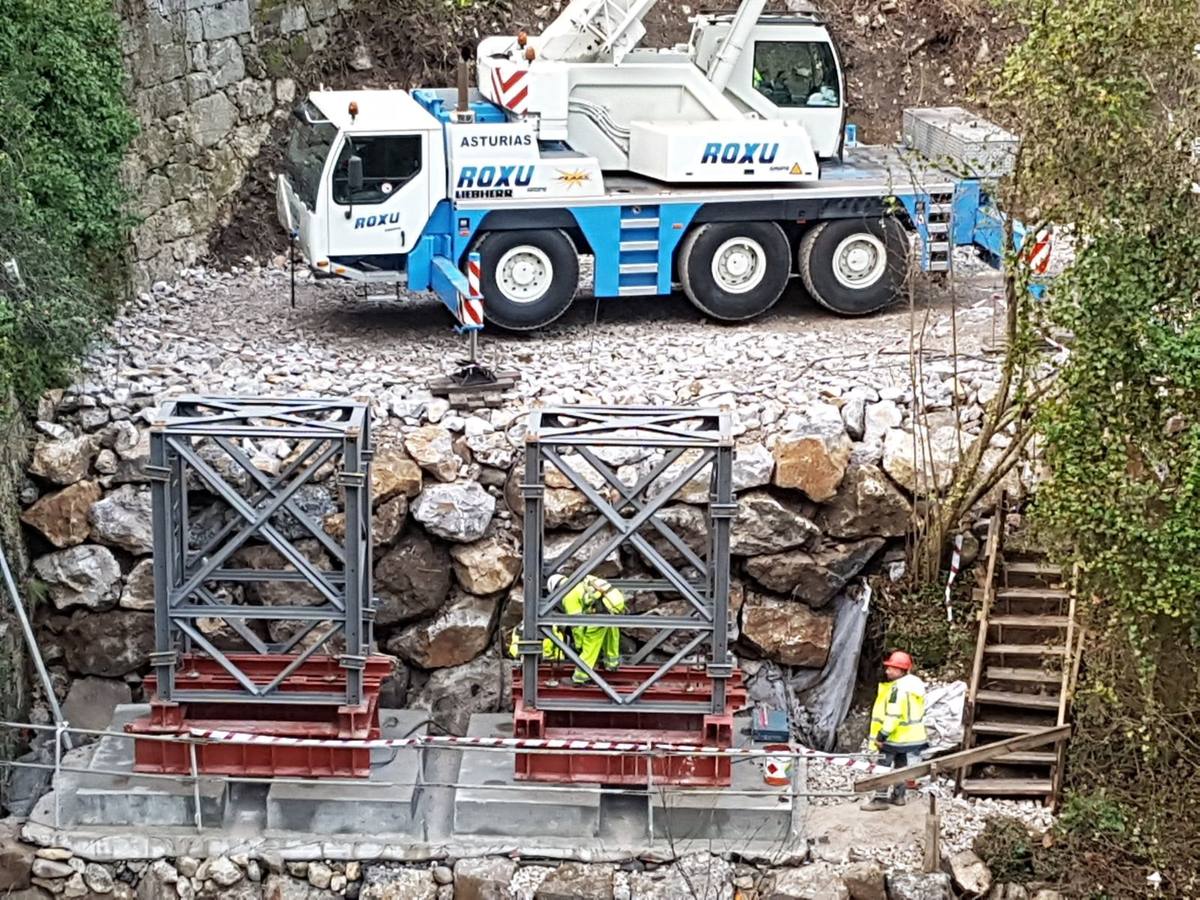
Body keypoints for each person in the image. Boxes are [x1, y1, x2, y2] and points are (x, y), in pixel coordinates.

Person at [861, 649, 929, 811]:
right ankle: (899, 796)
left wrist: (882, 735)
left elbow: (894, 715)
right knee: (901, 765)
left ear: (900, 670)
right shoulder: (915, 686)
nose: (887, 671)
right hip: (911, 737)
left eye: (891, 668)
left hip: (895, 737)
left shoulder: (898, 690)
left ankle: (880, 799)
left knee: (883, 767)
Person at [547, 572, 626, 685]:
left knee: (590, 645)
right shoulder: (579, 582)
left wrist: (579, 645)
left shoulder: (568, 596)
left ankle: (580, 678)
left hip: (599, 613)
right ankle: (612, 664)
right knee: (611, 635)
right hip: (613, 605)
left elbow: (577, 625)